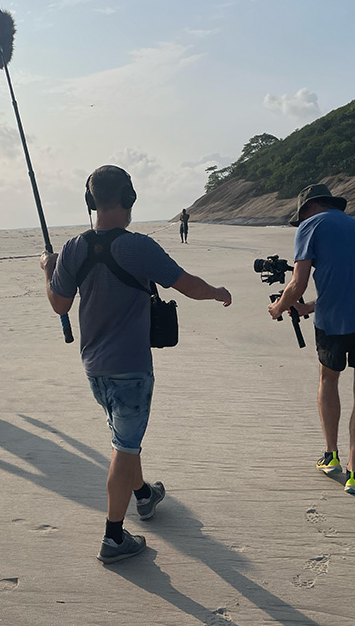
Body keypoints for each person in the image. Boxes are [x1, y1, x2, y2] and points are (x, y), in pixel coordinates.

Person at [41, 165, 231, 564]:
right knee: (124, 447)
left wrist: (48, 270)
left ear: (90, 201)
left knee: (125, 435)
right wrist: (216, 293)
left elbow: (59, 304)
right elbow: (187, 284)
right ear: (130, 200)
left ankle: (144, 495)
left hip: (94, 366)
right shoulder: (139, 247)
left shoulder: (73, 247)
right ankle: (113, 538)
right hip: (130, 367)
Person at [268, 184, 355, 495]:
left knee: (328, 380)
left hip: (334, 324)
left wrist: (278, 307)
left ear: (308, 208)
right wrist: (308, 307)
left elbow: (297, 282)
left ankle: (330, 456)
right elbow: (352, 284)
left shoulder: (311, 225)